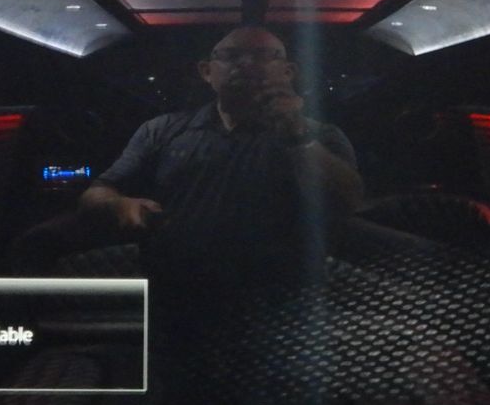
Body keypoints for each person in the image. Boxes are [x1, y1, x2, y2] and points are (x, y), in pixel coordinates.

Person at [79, 25, 363, 291]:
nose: (247, 63)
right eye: (231, 55)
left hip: (285, 296)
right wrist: (118, 204)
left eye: (263, 55)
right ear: (206, 71)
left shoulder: (320, 135)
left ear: (288, 72)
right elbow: (97, 192)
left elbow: (347, 202)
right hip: (176, 291)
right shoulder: (161, 130)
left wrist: (296, 134)